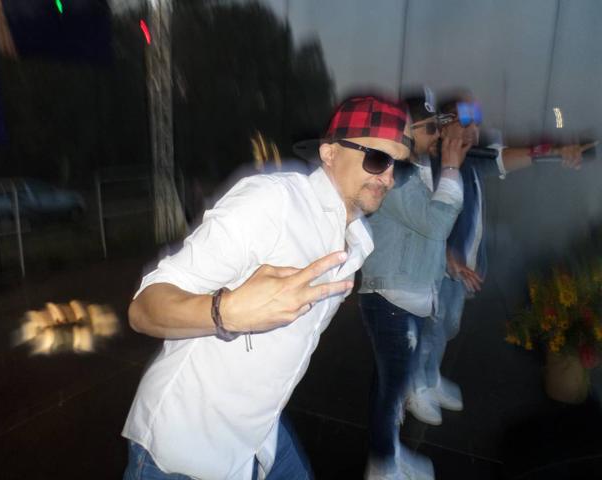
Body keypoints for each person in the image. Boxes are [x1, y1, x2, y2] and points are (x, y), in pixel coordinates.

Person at [122, 95, 411, 480]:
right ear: (329, 153)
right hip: (183, 442)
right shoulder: (274, 203)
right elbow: (144, 308)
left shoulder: (357, 241)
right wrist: (225, 312)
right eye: (377, 158)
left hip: (259, 431)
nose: (388, 178)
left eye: (398, 165)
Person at [408, 92, 594, 425]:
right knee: (429, 328)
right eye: (464, 122)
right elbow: (421, 222)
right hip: (435, 272)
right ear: (443, 126)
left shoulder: (472, 159)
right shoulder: (428, 166)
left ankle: (430, 376)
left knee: (445, 327)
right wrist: (448, 257)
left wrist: (557, 151)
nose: (472, 130)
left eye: (476, 123)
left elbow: (511, 157)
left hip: (461, 272)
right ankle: (414, 385)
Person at [358, 91, 471, 480]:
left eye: (438, 126)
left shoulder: (418, 167)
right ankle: (382, 466)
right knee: (392, 390)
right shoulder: (398, 174)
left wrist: (446, 263)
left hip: (406, 296)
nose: (438, 135)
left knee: (392, 385)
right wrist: (452, 167)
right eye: (430, 128)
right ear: (405, 131)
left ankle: (387, 452)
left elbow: (428, 232)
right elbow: (437, 223)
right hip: (391, 298)